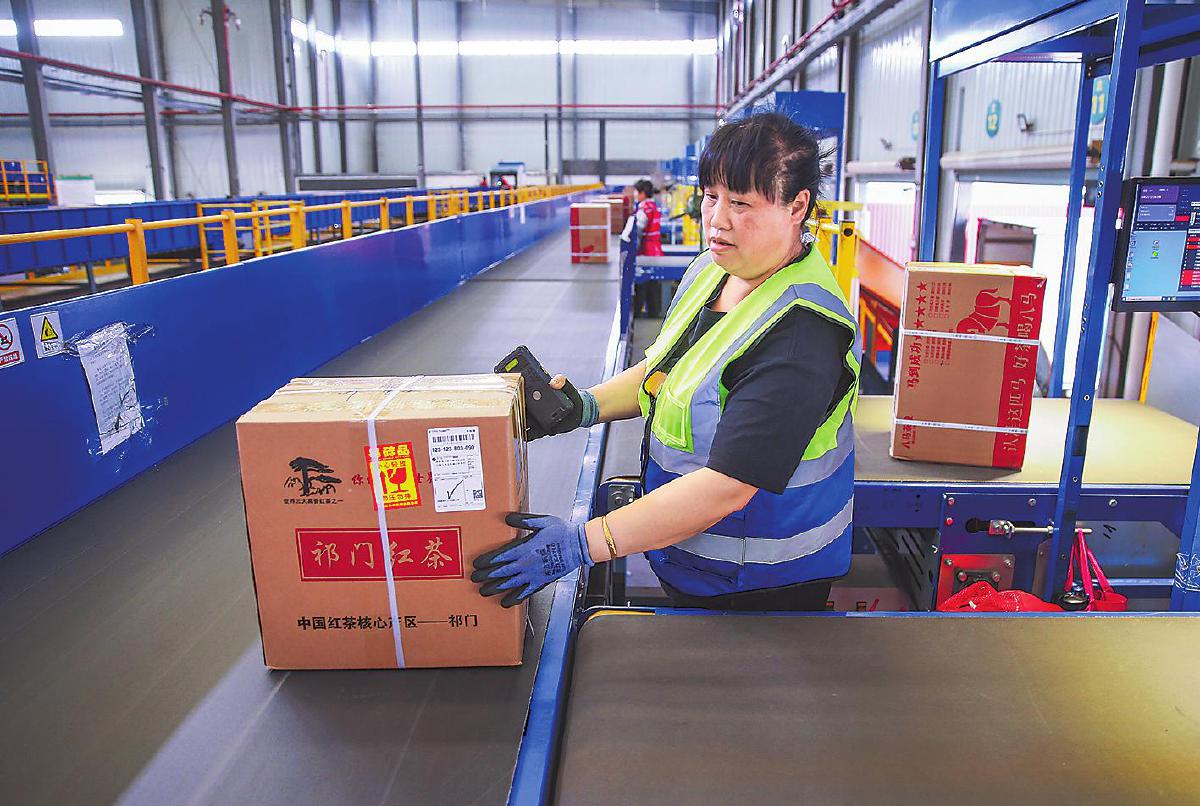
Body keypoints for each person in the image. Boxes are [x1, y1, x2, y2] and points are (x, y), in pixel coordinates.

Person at [474, 112, 859, 612]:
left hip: (759, 588)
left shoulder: (800, 335)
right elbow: (663, 370)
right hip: (690, 558)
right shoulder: (713, 271)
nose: (717, 219)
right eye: (711, 196)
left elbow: (726, 489)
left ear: (797, 206)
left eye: (741, 203)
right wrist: (586, 407)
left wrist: (582, 544)